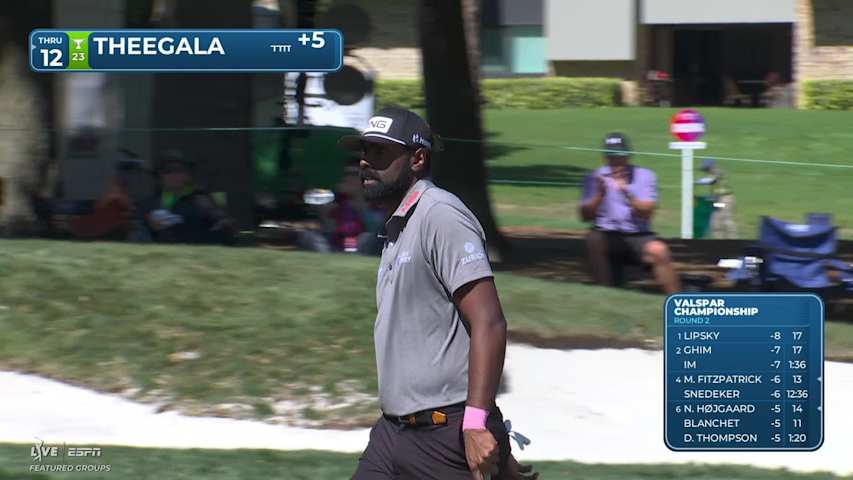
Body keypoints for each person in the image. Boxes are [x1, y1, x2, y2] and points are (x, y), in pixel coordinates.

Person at [339, 106, 536, 480]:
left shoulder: (441, 215)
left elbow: (489, 322)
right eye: (363, 151)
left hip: (443, 434)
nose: (365, 162)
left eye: (379, 152)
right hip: (391, 434)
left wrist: (478, 425)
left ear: (417, 159)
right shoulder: (396, 226)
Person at [579, 132, 681, 294]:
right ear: (605, 157)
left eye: (621, 156)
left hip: (639, 235)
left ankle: (677, 301)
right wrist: (599, 195)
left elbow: (646, 213)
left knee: (659, 250)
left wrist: (627, 192)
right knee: (593, 239)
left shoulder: (645, 176)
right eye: (611, 156)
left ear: (628, 156)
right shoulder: (594, 177)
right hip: (608, 234)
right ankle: (605, 295)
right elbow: (585, 216)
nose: (616, 161)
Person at [145, 151, 236, 245]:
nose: (176, 175)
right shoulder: (149, 204)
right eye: (168, 171)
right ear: (159, 176)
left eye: (181, 170)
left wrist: (223, 221)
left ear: (188, 174)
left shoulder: (201, 197)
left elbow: (220, 219)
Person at [697, 159, 737, 239]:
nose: (705, 171)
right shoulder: (711, 175)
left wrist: (696, 181)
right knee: (715, 223)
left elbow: (710, 180)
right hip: (717, 201)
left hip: (726, 200)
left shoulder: (718, 173)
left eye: (706, 169)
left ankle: (732, 239)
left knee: (725, 219)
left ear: (711, 167)